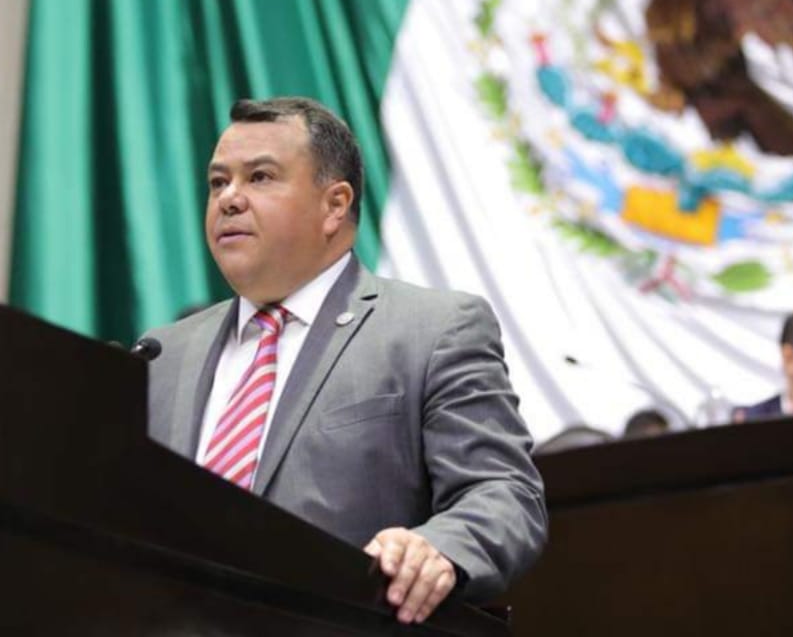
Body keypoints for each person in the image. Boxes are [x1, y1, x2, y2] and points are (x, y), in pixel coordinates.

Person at [144, 97, 547, 624]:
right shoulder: (161, 355)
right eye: (218, 182)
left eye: (260, 177)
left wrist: (439, 548)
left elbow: (503, 492)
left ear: (335, 205)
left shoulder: (432, 330)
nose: (229, 199)